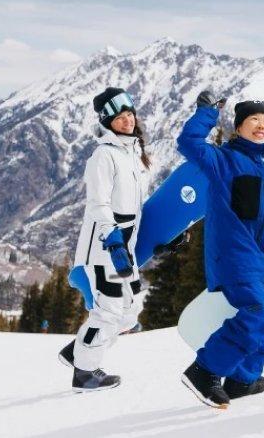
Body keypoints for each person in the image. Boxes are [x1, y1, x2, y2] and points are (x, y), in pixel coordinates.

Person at [177, 92, 264, 409]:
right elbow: (188, 143)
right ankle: (205, 371)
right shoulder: (222, 160)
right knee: (257, 314)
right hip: (233, 256)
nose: (261, 125)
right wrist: (206, 114)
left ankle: (243, 379)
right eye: (253, 120)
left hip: (263, 261)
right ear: (238, 127)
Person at [57, 87, 151, 392]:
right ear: (107, 122)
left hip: (128, 243)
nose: (126, 121)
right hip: (105, 246)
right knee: (108, 310)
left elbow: (135, 204)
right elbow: (98, 203)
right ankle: (84, 373)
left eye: (129, 115)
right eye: (119, 117)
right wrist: (112, 241)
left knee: (132, 310)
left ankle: (79, 350)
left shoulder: (132, 151)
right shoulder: (103, 155)